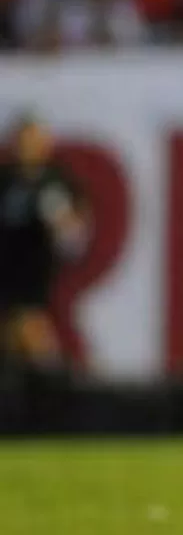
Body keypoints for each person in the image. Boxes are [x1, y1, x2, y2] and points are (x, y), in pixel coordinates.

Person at [0, 113, 86, 372]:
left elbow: (72, 242)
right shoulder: (5, 182)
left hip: (34, 280)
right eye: (21, 140)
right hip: (5, 276)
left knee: (30, 329)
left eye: (32, 140)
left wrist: (60, 221)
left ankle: (52, 384)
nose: (25, 147)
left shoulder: (55, 184)